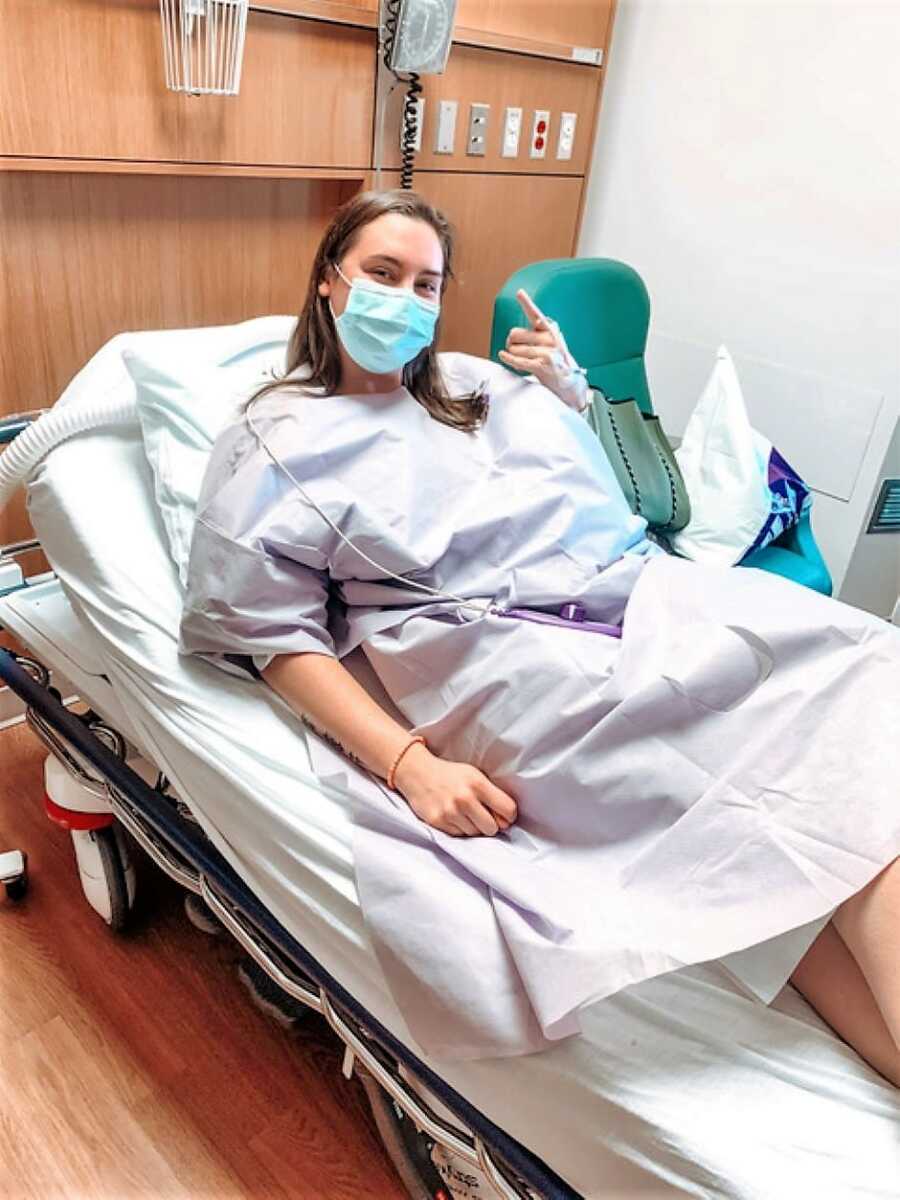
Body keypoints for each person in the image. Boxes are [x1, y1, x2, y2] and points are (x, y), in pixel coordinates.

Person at [180, 189, 900, 1077]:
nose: (404, 301)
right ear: (330, 280)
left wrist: (567, 393)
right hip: (499, 657)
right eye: (382, 273)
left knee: (856, 652)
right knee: (817, 799)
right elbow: (272, 635)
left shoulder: (471, 387)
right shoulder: (274, 436)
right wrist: (411, 765)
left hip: (638, 593)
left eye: (427, 286)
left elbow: (598, 500)